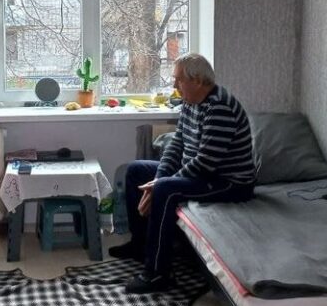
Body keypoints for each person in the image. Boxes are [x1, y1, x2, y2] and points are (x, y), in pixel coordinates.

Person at [109, 53, 257, 293]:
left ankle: (158, 273)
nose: (174, 85)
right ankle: (140, 245)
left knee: (165, 189)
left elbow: (205, 163)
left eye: (178, 80)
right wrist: (159, 178)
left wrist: (161, 184)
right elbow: (176, 144)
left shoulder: (220, 107)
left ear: (197, 81)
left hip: (229, 182)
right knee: (135, 171)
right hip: (200, 173)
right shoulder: (191, 101)